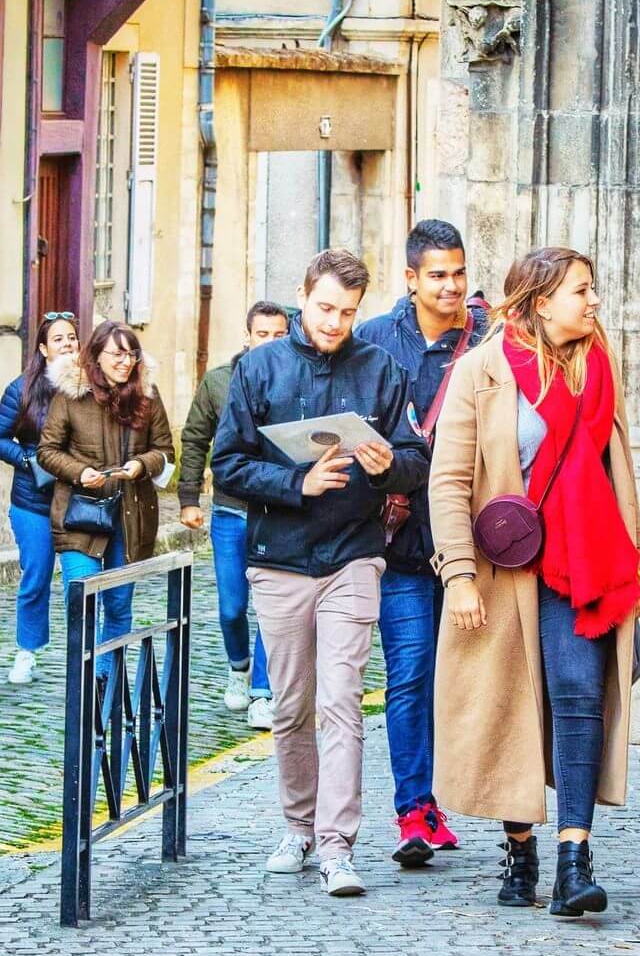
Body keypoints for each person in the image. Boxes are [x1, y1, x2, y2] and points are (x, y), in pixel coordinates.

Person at [429, 248, 640, 917]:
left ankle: (574, 860)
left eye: (593, 289)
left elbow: (619, 476)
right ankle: (520, 846)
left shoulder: (596, 371)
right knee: (511, 705)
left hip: (582, 564)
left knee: (579, 694)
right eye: (582, 290)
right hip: (505, 570)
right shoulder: (481, 372)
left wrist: (636, 559)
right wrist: (459, 574)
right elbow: (449, 481)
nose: (593, 302)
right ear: (541, 300)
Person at [212, 249, 430, 897]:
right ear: (303, 297)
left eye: (347, 313)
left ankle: (339, 847)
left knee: (341, 702)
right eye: (325, 308)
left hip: (354, 555)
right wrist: (296, 481)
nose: (335, 322)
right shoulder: (259, 369)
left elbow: (416, 457)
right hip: (279, 557)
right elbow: (227, 463)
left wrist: (390, 462)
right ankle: (297, 828)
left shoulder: (380, 370)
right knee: (291, 706)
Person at [357, 219, 489, 865]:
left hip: (473, 542)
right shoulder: (374, 342)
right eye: (437, 275)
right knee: (409, 672)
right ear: (410, 279)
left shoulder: (487, 340)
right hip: (402, 542)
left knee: (465, 677)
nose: (451, 286)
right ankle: (415, 807)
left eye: (459, 273)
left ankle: (471, 796)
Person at [37, 320, 175, 690]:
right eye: (117, 353)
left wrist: (141, 465)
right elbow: (46, 451)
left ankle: (104, 680)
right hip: (79, 515)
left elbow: (165, 450)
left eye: (132, 354)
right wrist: (80, 472)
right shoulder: (70, 395)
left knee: (118, 605)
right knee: (81, 600)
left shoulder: (147, 395)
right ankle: (83, 679)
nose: (126, 362)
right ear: (97, 355)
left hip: (130, 517)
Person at [180, 301, 290, 731]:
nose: (270, 342)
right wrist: (189, 497)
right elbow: (194, 438)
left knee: (271, 605)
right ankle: (239, 667)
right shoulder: (218, 382)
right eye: (263, 334)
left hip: (278, 511)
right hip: (229, 509)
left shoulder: (297, 380)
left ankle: (264, 692)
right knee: (232, 607)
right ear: (248, 336)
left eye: (279, 334)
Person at [0, 312, 80, 685]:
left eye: (72, 338)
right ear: (42, 348)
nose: (67, 344)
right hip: (33, 501)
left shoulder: (89, 389)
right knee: (37, 575)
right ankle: (27, 650)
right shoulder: (21, 389)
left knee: (81, 580)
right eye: (58, 339)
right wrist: (28, 461)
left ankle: (84, 650)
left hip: (77, 500)